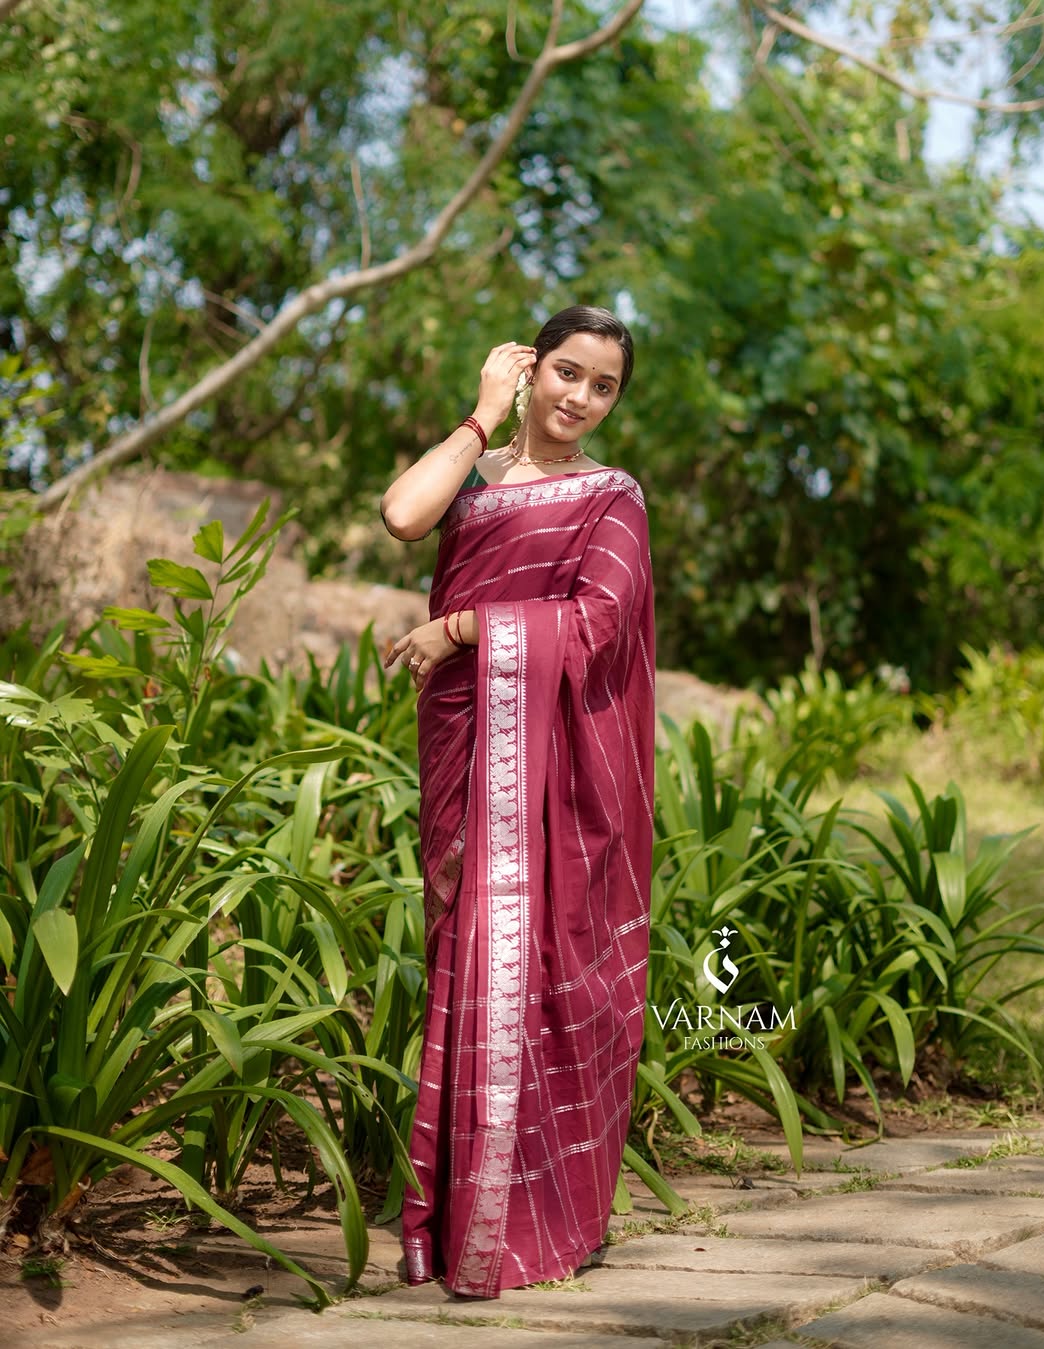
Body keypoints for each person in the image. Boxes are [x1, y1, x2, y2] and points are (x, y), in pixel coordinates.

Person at [380, 305, 655, 1298]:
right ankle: (458, 1221)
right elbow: (405, 514)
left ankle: (539, 1216)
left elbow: (598, 622)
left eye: (603, 385)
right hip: (466, 749)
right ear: (532, 369)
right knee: (465, 966)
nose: (579, 397)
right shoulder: (481, 476)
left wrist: (459, 626)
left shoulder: (610, 498)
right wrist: (480, 415)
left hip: (552, 767)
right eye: (565, 373)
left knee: (537, 966)